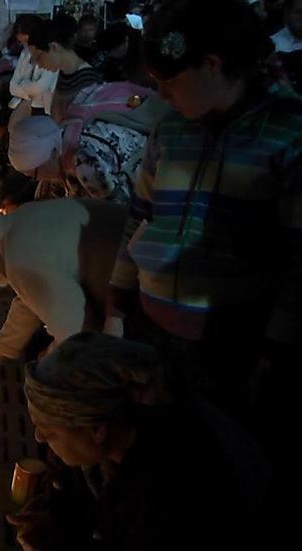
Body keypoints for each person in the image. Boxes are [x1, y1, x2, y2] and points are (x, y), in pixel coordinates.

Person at [105, 0, 299, 415]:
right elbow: (140, 214)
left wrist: (275, 350)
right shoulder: (172, 129)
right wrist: (118, 299)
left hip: (230, 341)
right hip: (150, 324)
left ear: (212, 64)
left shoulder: (287, 133)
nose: (160, 93)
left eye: (168, 80)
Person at [7, 332, 270, 551]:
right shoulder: (133, 422)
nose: (38, 437)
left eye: (49, 431)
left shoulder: (171, 485)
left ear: (97, 428)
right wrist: (60, 515)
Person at [0, 199, 128, 377]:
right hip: (136, 240)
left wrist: (48, 358)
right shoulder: (22, 218)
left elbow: (77, 334)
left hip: (138, 288)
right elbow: (30, 300)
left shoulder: (19, 259)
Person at [8, 113, 146, 205]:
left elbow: (118, 208)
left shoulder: (83, 165)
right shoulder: (70, 132)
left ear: (50, 155)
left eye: (34, 175)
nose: (39, 179)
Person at [28, 14, 105, 122]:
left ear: (54, 47)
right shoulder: (65, 75)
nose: (38, 64)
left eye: (38, 57)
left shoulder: (88, 82)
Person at [9, 15, 59, 118]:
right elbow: (12, 86)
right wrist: (28, 91)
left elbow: (40, 87)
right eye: (22, 42)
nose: (26, 45)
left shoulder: (50, 54)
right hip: (24, 105)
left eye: (27, 41)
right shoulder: (25, 53)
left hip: (45, 108)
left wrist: (22, 84)